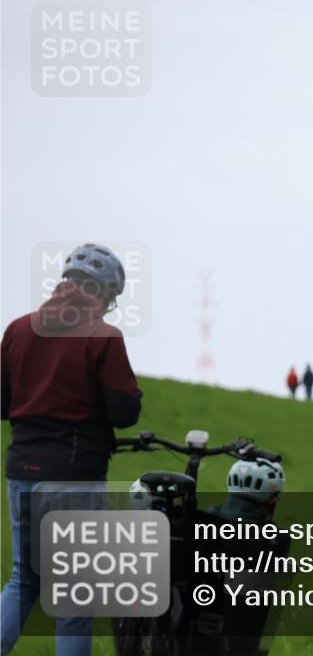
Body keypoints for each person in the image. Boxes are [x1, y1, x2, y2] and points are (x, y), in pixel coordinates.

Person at [1, 243, 143, 656]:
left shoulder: (18, 329)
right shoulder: (102, 334)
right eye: (109, 298)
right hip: (73, 475)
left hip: (21, 472)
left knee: (23, 581)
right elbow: (123, 412)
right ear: (101, 292)